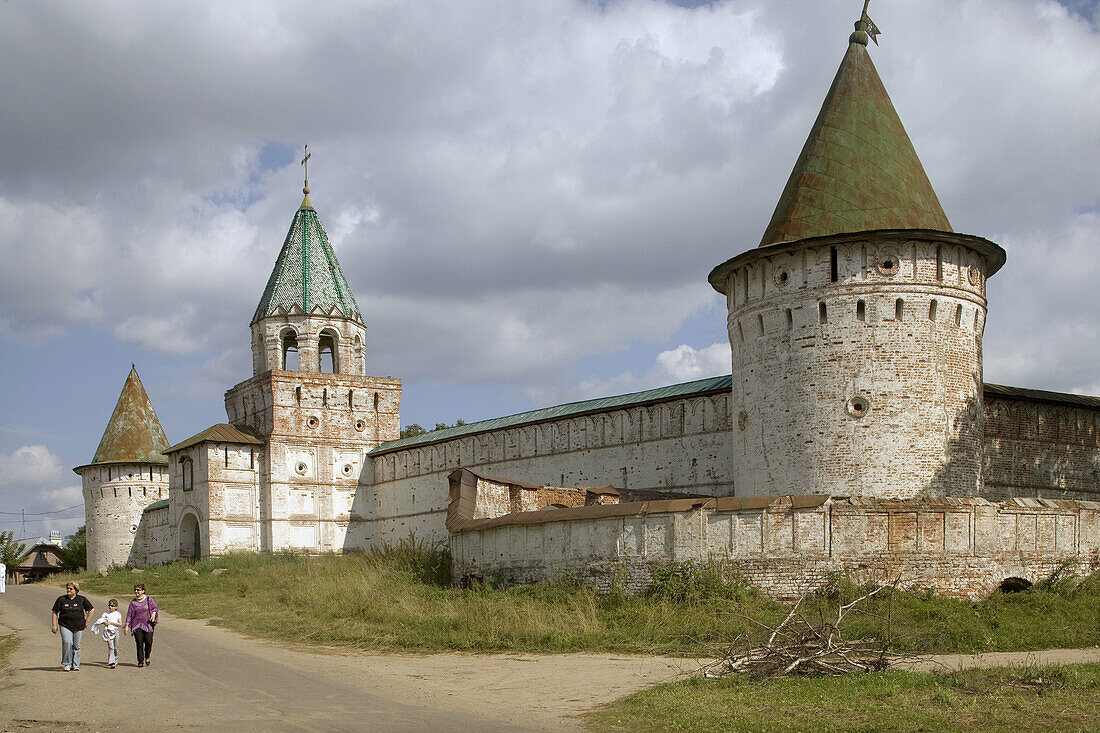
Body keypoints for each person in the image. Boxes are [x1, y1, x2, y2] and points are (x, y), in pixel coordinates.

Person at [51, 581, 94, 671]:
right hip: (65, 625)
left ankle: (75, 664)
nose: (68, 590)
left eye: (71, 589)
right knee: (67, 642)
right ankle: (67, 663)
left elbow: (91, 609)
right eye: (67, 588)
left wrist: (87, 621)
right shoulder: (61, 599)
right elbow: (55, 612)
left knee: (76, 645)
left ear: (76, 590)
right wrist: (54, 625)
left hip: (79, 626)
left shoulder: (81, 599)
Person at [123, 583, 158, 667]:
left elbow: (155, 608)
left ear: (143, 591)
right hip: (136, 625)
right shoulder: (133, 603)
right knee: (139, 642)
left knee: (149, 642)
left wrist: (153, 614)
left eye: (138, 590)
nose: (136, 591)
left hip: (148, 624)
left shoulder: (149, 599)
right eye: (135, 590)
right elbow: (129, 614)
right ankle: (140, 661)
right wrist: (126, 626)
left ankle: (147, 657)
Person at [91, 599, 123, 668]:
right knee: (111, 646)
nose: (110, 607)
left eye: (112, 606)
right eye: (109, 605)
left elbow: (120, 624)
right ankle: (111, 661)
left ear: (116, 607)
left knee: (116, 647)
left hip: (115, 630)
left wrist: (111, 623)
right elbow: (101, 620)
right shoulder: (106, 613)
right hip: (108, 631)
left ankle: (116, 660)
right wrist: (105, 622)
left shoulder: (117, 614)